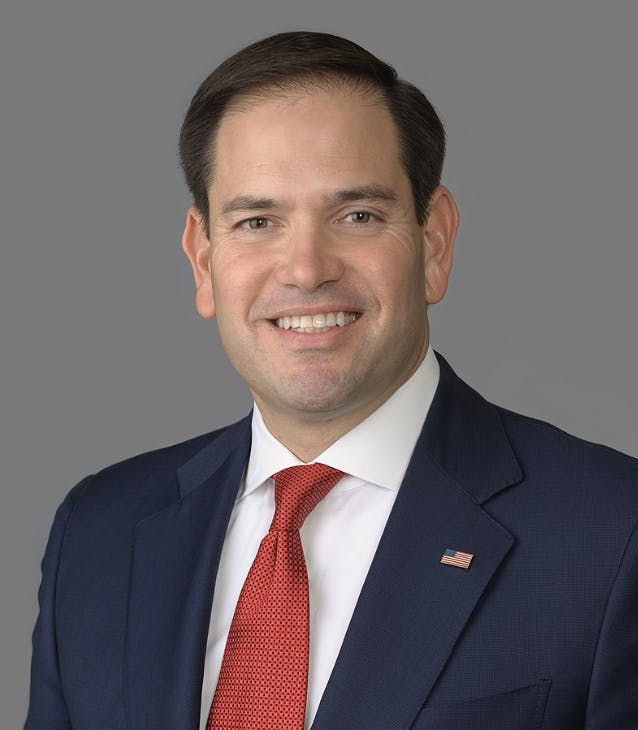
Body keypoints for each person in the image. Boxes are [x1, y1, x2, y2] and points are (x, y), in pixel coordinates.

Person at [26, 31, 638, 730]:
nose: (306, 268)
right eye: (258, 220)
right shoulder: (98, 533)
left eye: (357, 216)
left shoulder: (612, 533)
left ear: (434, 243)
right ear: (203, 259)